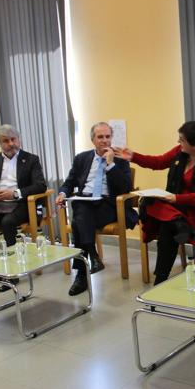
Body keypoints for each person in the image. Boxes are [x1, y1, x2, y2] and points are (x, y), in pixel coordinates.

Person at [113, 121, 195, 285]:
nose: (178, 143)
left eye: (182, 140)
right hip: (174, 207)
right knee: (151, 203)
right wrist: (133, 156)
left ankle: (161, 277)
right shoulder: (179, 152)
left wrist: (178, 199)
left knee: (165, 223)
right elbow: (158, 162)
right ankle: (178, 225)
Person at [56, 122, 136, 296]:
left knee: (78, 219)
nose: (105, 140)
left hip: (108, 205)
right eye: (100, 137)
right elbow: (69, 182)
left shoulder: (120, 159)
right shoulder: (81, 158)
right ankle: (92, 256)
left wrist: (110, 164)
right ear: (92, 139)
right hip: (86, 202)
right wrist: (62, 193)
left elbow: (126, 188)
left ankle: (82, 273)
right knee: (81, 211)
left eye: (108, 136)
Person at [0, 124, 46, 292]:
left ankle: (12, 271)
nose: (11, 144)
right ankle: (0, 259)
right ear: (0, 143)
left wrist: (14, 194)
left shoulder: (31, 159)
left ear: (19, 140)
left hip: (20, 203)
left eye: (14, 139)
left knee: (8, 222)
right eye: (6, 141)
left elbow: (40, 186)